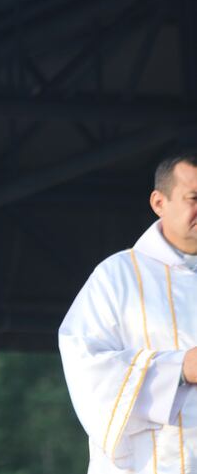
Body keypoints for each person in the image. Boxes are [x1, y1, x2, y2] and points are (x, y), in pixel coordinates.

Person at [59, 152, 197, 474]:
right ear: (159, 202)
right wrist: (179, 369)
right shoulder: (117, 277)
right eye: (193, 198)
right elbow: (87, 371)